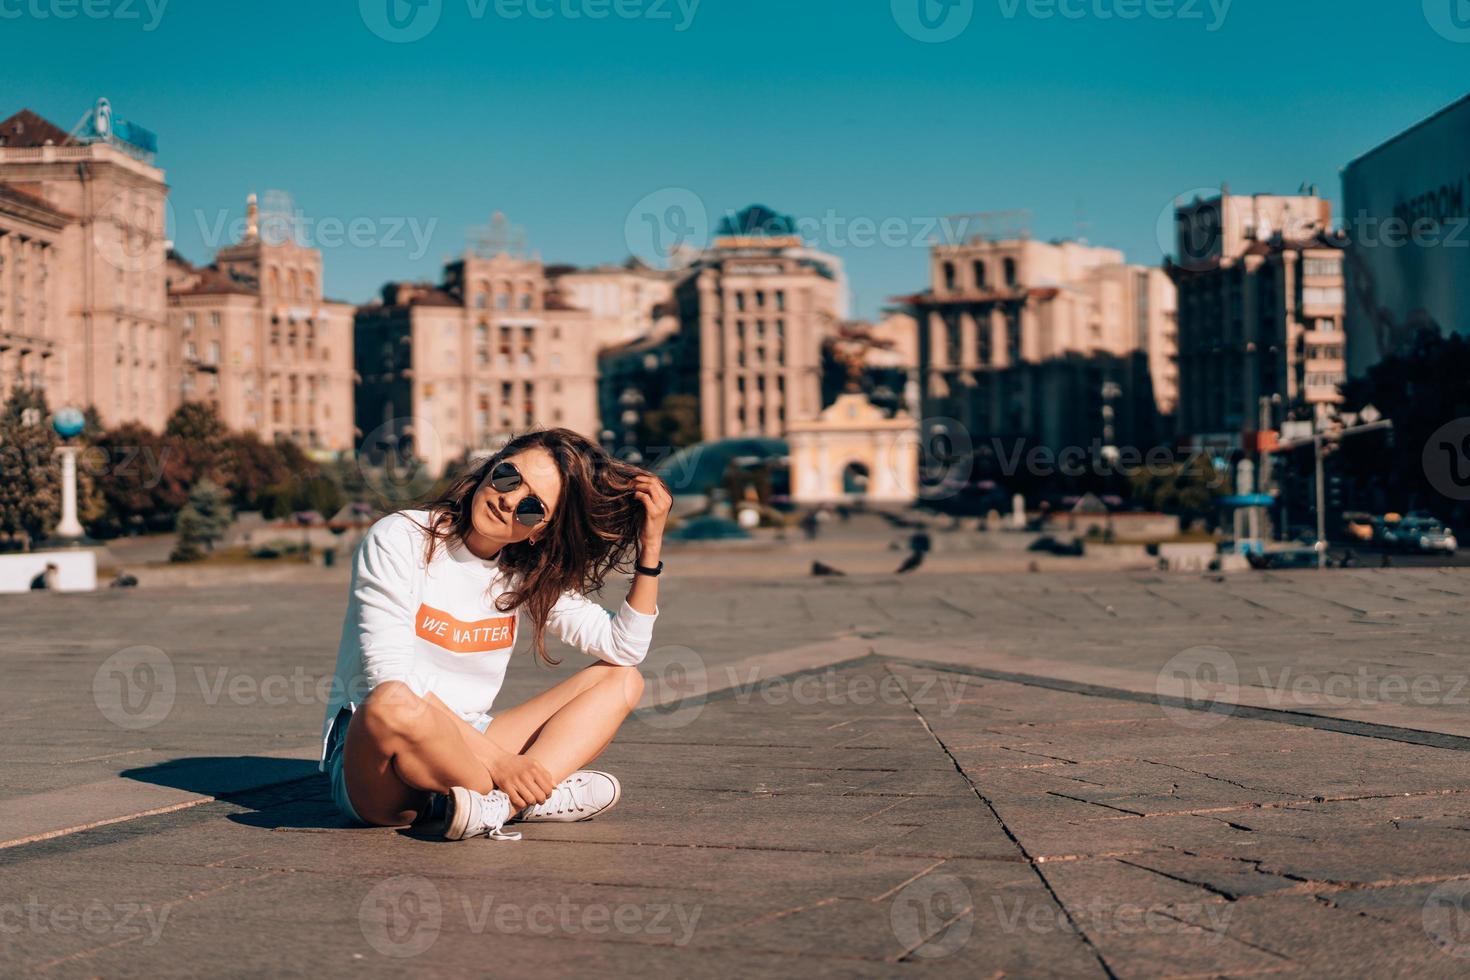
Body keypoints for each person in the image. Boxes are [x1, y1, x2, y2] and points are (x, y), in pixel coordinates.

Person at [321, 429, 672, 842]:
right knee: (392, 701)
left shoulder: (522, 571)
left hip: (472, 746)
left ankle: (498, 806)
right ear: (490, 468)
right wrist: (504, 765)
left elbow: (624, 647)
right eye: (508, 476)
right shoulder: (400, 538)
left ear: (540, 529)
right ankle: (527, 795)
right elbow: (389, 678)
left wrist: (651, 548)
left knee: (622, 678)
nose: (508, 499)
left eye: (531, 507)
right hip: (380, 762)